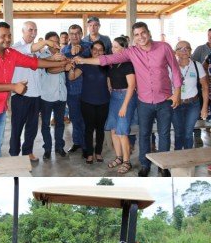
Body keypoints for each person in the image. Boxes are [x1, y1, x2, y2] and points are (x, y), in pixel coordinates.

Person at [74, 21, 182, 177]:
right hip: (144, 101)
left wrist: (177, 92)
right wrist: (83, 60)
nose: (140, 37)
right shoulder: (131, 52)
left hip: (164, 99)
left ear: (149, 33)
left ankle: (163, 166)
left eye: (143, 33)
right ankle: (144, 165)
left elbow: (175, 69)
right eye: (136, 35)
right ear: (133, 37)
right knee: (144, 134)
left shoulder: (164, 47)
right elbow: (107, 60)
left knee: (164, 134)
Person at [0, 22, 68, 160]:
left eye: (9, 35)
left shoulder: (10, 53)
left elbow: (35, 63)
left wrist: (61, 64)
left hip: (0, 109)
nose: (7, 39)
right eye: (3, 36)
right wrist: (14, 87)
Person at [10, 21, 64, 161]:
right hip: (21, 95)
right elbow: (31, 49)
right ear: (22, 31)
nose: (33, 33)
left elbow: (41, 63)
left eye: (35, 30)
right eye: (30, 30)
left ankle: (27, 152)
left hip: (36, 95)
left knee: (32, 128)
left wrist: (54, 59)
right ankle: (14, 155)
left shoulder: (36, 53)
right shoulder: (16, 47)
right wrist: (47, 42)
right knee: (17, 128)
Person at [68, 40, 110, 164]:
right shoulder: (84, 64)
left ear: (104, 51)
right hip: (87, 101)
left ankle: (98, 153)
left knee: (100, 129)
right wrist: (71, 67)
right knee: (89, 129)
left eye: (100, 49)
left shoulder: (106, 65)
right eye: (94, 49)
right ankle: (90, 154)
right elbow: (72, 77)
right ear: (91, 51)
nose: (97, 52)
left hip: (103, 101)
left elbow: (109, 84)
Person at [104, 36, 138, 174]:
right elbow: (109, 79)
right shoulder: (112, 64)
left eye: (117, 47)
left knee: (122, 131)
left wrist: (124, 105)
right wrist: (110, 88)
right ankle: (118, 157)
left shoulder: (128, 64)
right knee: (113, 129)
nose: (113, 49)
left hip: (126, 97)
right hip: (115, 97)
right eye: (112, 46)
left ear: (124, 49)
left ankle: (126, 161)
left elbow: (131, 86)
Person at [170, 40, 209, 150]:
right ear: (176, 52)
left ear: (191, 51)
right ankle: (178, 161)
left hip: (193, 104)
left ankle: (188, 161)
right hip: (176, 105)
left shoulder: (197, 66)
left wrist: (204, 107)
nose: (184, 50)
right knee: (178, 133)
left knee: (188, 133)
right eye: (181, 49)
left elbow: (205, 87)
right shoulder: (170, 67)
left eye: (187, 48)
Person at [62, 24, 92, 155]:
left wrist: (79, 50)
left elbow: (88, 54)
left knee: (86, 119)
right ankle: (77, 142)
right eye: (72, 34)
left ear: (81, 34)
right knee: (74, 118)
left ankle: (86, 145)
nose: (75, 36)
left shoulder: (89, 46)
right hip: (71, 90)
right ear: (68, 35)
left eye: (77, 33)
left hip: (87, 90)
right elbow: (64, 63)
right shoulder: (64, 50)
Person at [39, 31, 68, 160]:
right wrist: (64, 66)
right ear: (47, 42)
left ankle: (59, 147)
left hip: (61, 95)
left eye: (57, 41)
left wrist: (65, 64)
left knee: (60, 123)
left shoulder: (62, 55)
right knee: (45, 124)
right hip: (46, 96)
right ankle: (47, 149)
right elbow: (50, 70)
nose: (55, 44)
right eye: (52, 41)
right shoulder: (42, 56)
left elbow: (68, 66)